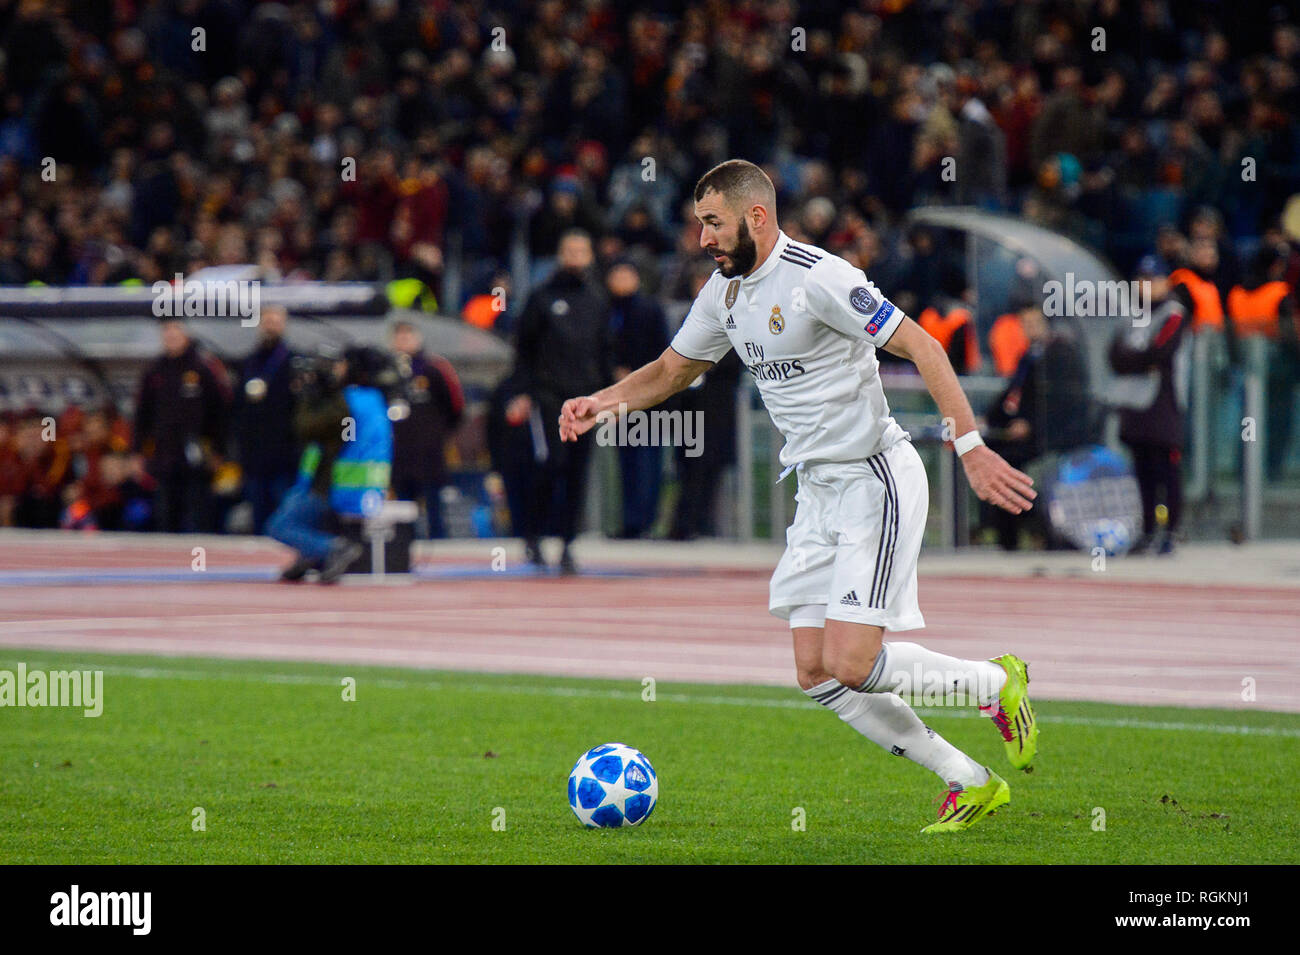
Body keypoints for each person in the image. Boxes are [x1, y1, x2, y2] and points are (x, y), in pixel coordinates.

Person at [559, 160, 1038, 832]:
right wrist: (602, 402)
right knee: (817, 672)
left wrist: (972, 447)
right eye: (700, 224)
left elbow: (925, 346)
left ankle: (993, 683)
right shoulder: (724, 294)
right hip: (817, 492)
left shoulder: (821, 277)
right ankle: (968, 778)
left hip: (876, 478)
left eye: (713, 223)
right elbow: (672, 370)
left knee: (853, 660)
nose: (703, 239)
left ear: (757, 216)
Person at [509, 229, 612, 573]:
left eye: (582, 250)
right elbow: (523, 349)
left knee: (577, 472)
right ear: (559, 254)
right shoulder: (541, 297)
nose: (575, 256)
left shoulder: (597, 299)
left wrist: (609, 396)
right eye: (569, 249)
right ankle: (533, 536)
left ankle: (568, 543)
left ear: (590, 256)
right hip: (548, 398)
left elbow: (604, 350)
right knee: (548, 466)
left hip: (587, 399)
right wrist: (524, 392)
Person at [266, 347, 392, 584]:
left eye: (341, 364)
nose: (336, 369)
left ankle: (331, 548)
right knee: (306, 519)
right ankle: (310, 556)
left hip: (329, 482)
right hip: (361, 484)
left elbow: (308, 428)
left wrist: (310, 397)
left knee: (279, 526)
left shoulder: (345, 401)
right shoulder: (374, 400)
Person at [1108, 269, 1191, 554]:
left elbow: (1161, 352)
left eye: (1152, 280)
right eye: (1141, 280)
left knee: (1166, 468)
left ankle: (1170, 531)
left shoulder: (1174, 312)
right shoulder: (1131, 313)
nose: (1145, 286)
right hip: (1135, 405)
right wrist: (1141, 362)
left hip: (1163, 403)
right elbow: (1115, 356)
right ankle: (1145, 530)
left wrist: (1136, 360)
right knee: (1142, 468)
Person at [131, 318, 230, 532]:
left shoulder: (203, 368)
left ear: (187, 333)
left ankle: (199, 560)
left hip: (197, 457)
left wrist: (218, 450)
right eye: (167, 330)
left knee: (198, 515)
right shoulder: (154, 371)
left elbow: (219, 412)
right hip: (165, 456)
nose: (171, 335)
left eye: (176, 329)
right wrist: (138, 452)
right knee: (166, 516)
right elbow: (142, 415)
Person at [606, 259, 670, 538]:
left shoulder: (650, 309)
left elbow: (663, 352)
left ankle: (646, 521)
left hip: (648, 398)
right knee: (626, 462)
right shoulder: (605, 309)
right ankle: (630, 521)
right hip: (617, 399)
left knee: (647, 460)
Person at [389, 319, 465, 538]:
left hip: (429, 451)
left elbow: (456, 406)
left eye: (408, 335)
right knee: (404, 507)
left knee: (434, 504)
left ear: (418, 338)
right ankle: (404, 546)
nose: (403, 341)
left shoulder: (434, 368)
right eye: (399, 336)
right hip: (400, 453)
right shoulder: (388, 371)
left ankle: (439, 543)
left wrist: (439, 433)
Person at [233, 305, 299, 532]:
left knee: (284, 518)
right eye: (267, 320)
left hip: (285, 456)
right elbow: (238, 409)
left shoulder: (294, 362)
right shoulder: (250, 362)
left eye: (276, 320)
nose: (271, 325)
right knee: (258, 516)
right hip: (255, 456)